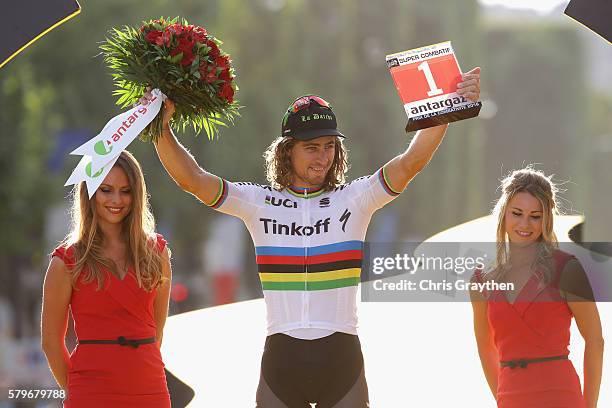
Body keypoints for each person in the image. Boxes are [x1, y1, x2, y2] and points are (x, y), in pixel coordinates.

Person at [141, 67, 481, 407]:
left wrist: (446, 110)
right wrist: (161, 127)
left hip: (341, 358)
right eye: (312, 147)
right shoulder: (258, 203)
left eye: (330, 146)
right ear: (287, 150)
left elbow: (410, 163)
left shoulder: (354, 198)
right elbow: (193, 180)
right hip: (281, 360)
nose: (323, 157)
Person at [41, 151, 172, 408]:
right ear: (89, 193)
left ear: (137, 195)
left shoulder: (157, 252)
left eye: (126, 191)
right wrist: (80, 389)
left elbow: (157, 331)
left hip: (150, 389)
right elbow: (51, 343)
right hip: (90, 393)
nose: (116, 200)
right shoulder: (66, 261)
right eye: (106, 190)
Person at [470, 168, 604, 408]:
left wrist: (590, 406)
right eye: (517, 213)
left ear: (547, 219)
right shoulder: (481, 279)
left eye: (535, 216)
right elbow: (485, 347)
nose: (525, 224)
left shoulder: (567, 269)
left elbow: (595, 341)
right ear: (504, 214)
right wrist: (503, 398)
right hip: (511, 398)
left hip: (562, 396)